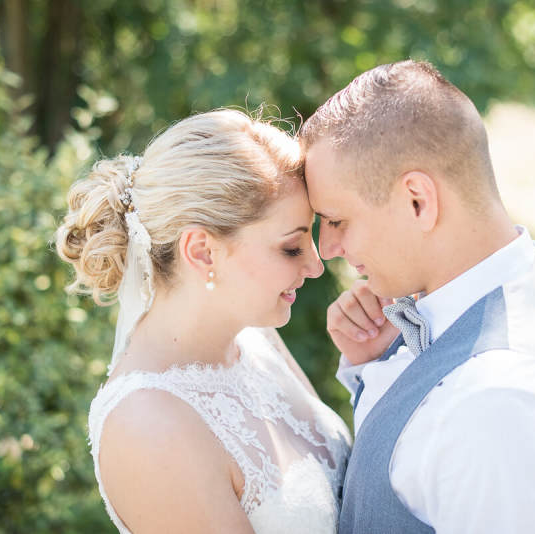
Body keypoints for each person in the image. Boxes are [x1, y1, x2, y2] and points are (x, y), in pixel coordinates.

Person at [300, 60, 535, 533]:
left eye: (337, 220)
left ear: (418, 200)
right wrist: (376, 367)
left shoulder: (498, 404)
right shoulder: (514, 289)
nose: (328, 248)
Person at [54, 110, 351, 534]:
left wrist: (369, 366)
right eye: (291, 248)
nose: (316, 266)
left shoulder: (259, 341)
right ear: (202, 251)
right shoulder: (146, 425)